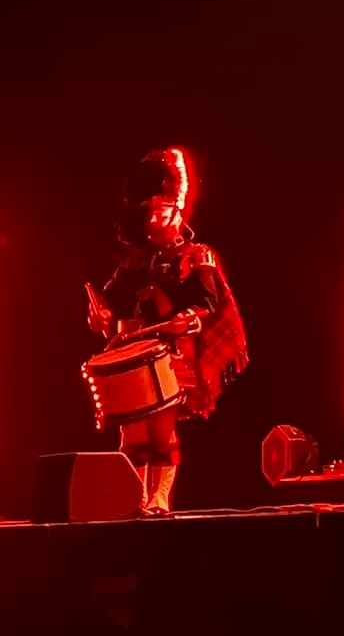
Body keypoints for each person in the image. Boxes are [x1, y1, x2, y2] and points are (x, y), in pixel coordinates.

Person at [85, 148, 249, 513]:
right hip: (135, 355)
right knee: (131, 432)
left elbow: (210, 303)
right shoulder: (137, 262)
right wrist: (101, 316)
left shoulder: (197, 256)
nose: (153, 219)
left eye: (160, 212)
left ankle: (159, 498)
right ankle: (135, 498)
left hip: (173, 352)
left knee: (161, 430)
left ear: (177, 214)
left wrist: (190, 316)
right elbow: (111, 299)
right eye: (150, 213)